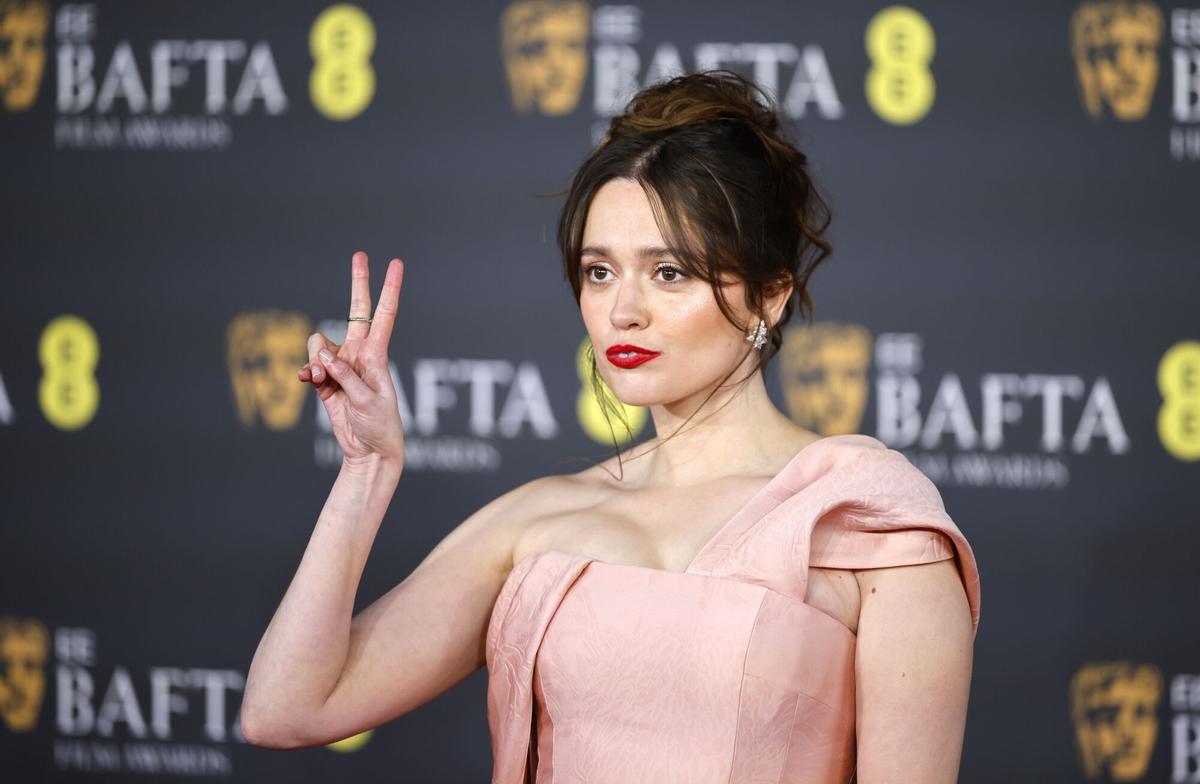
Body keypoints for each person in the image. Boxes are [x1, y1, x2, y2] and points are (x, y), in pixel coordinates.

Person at [240, 69, 981, 783]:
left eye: (670, 272)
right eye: (600, 271)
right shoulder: (538, 519)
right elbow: (287, 708)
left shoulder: (871, 527)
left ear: (770, 295)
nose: (623, 310)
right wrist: (367, 472)